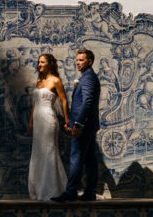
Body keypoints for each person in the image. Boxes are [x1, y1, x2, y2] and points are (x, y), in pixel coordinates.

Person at [51, 49, 101, 202]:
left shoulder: (88, 79)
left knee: (76, 158)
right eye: (77, 60)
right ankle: (90, 192)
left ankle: (72, 192)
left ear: (90, 61)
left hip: (84, 126)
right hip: (88, 125)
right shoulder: (87, 77)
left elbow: (86, 103)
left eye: (81, 60)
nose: (77, 62)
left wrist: (78, 125)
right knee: (90, 159)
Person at [27, 53, 70, 200]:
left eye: (42, 62)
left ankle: (53, 190)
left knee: (49, 152)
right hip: (38, 122)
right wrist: (31, 121)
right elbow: (35, 103)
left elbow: (64, 101)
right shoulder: (39, 82)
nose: (39, 65)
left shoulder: (56, 81)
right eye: (38, 62)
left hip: (49, 120)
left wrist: (67, 120)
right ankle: (39, 189)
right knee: (38, 153)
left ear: (49, 64)